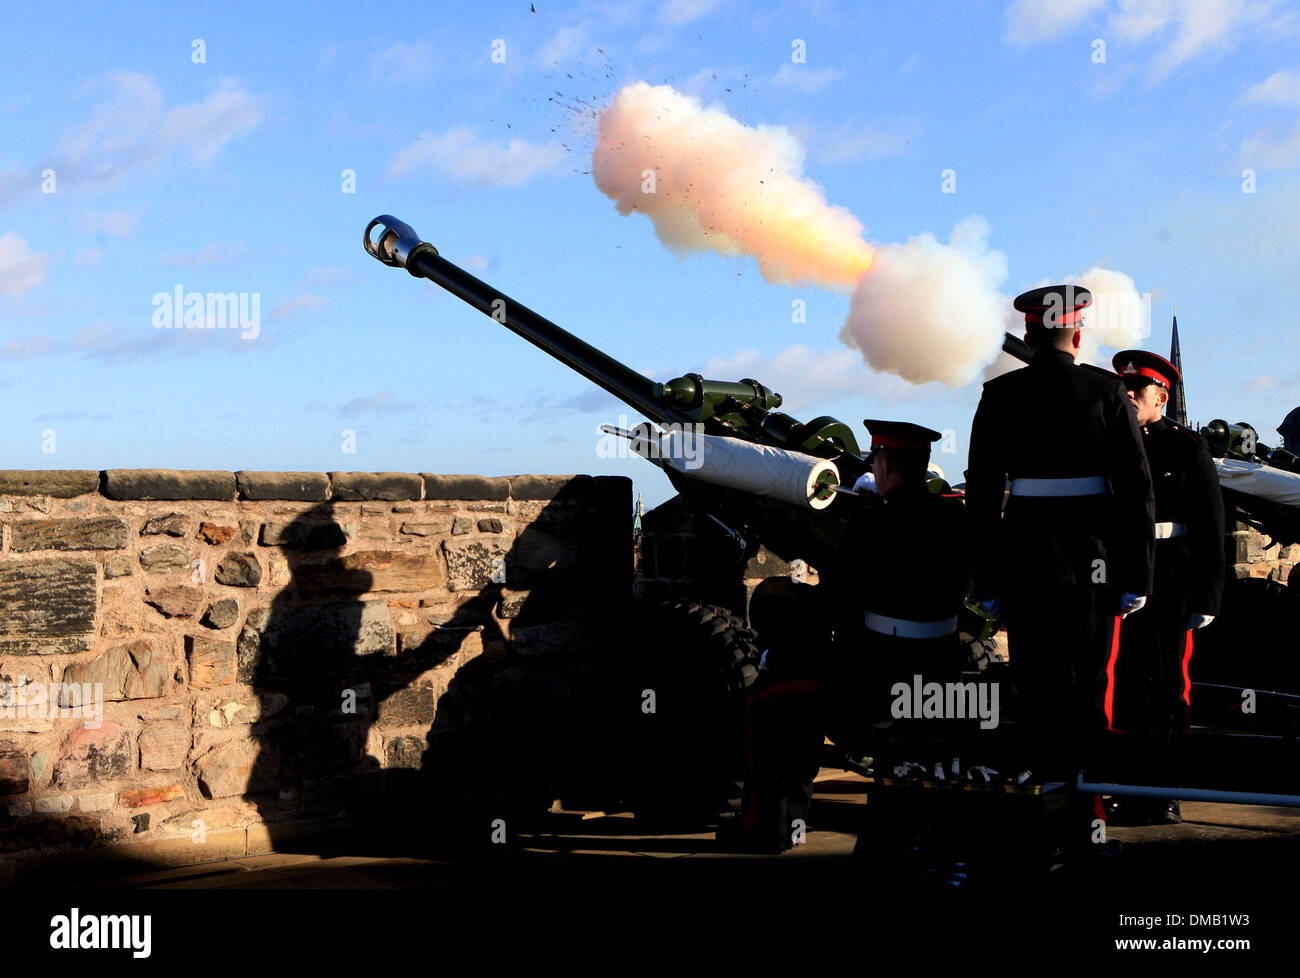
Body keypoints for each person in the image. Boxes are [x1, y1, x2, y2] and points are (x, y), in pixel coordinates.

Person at [965, 285, 1155, 853]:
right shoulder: (1107, 392)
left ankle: (1041, 824)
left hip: (1027, 567)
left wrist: (988, 580)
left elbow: (981, 496)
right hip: (1092, 567)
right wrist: (1136, 577)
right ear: (1076, 334)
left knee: (1036, 695)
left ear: (1027, 335)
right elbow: (1138, 493)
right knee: (1087, 695)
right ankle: (1085, 826)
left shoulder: (998, 394)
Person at [726, 420, 971, 852]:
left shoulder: (872, 526)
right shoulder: (953, 517)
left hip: (879, 688)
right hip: (940, 678)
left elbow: (835, 605)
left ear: (883, 465)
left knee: (772, 697)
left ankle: (770, 828)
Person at [1108, 349, 1225, 825]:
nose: (1129, 399)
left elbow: (1211, 525)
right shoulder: (1109, 442)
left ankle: (1163, 790)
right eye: (1125, 391)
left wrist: (1208, 597)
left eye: (1138, 392)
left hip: (1171, 578)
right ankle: (1115, 785)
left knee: (1167, 689)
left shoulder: (1186, 447)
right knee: (1120, 688)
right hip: (1118, 577)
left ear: (1162, 396)